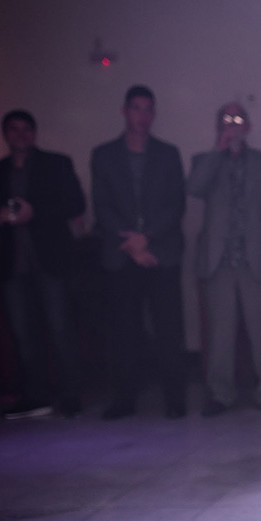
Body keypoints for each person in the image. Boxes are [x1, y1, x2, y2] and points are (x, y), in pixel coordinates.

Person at [91, 85, 188, 419]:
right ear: (124, 111)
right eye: (136, 108)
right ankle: (124, 399)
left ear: (154, 113)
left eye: (149, 109)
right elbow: (101, 206)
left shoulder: (168, 153)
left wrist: (146, 238)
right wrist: (132, 245)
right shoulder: (103, 155)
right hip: (121, 255)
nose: (142, 115)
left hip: (162, 253)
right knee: (124, 332)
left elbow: (176, 204)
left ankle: (176, 399)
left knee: (169, 330)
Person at [0, 110, 86, 420]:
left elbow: (75, 203)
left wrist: (35, 212)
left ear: (34, 133)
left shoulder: (56, 163)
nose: (21, 134)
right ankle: (36, 396)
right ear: (5, 134)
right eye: (14, 129)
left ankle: (70, 394)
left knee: (60, 328)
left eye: (26, 129)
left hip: (50, 260)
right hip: (14, 264)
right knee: (23, 333)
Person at [187, 103, 261, 416]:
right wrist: (218, 150)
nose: (234, 125)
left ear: (249, 126)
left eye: (239, 120)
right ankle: (220, 394)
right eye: (227, 120)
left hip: (257, 259)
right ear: (218, 126)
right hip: (219, 262)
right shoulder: (204, 160)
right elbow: (195, 188)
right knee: (220, 334)